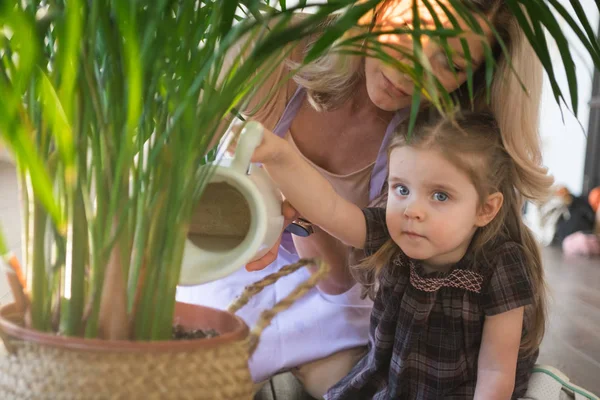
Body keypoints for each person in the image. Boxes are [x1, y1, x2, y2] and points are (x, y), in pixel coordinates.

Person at [177, 0, 552, 397]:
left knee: (347, 378)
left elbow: (338, 277)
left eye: (452, 65)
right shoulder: (270, 50)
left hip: (340, 297)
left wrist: (301, 214)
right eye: (409, 35)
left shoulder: (431, 149)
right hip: (239, 273)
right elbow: (162, 181)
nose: (412, 73)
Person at [251, 109, 550, 399]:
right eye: (402, 189)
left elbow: (496, 372)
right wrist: (279, 157)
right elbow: (329, 209)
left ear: (485, 209)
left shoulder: (501, 262)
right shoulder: (394, 233)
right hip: (392, 383)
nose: (412, 210)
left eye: (440, 196)